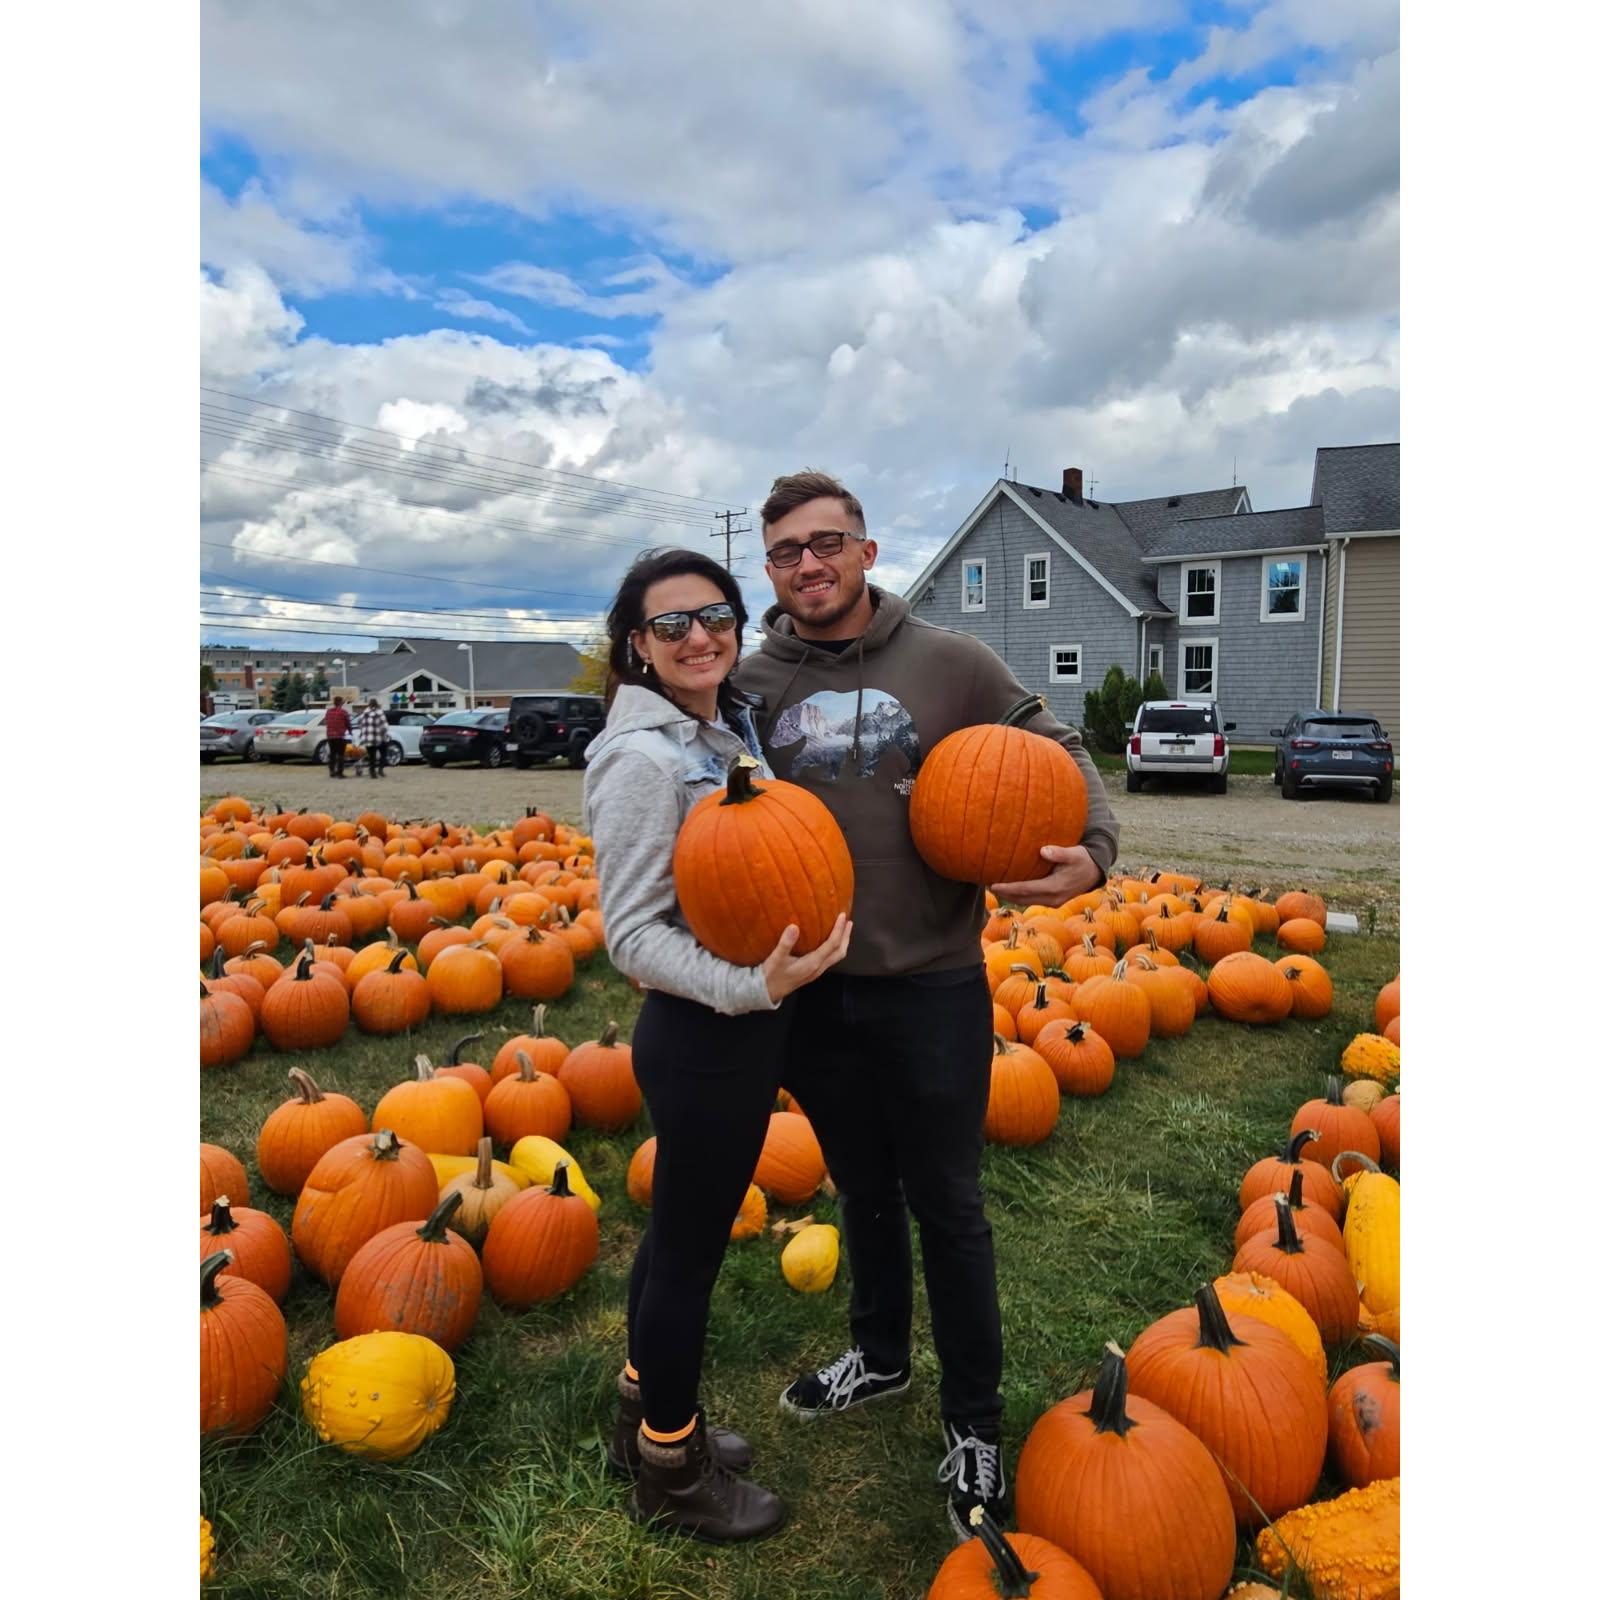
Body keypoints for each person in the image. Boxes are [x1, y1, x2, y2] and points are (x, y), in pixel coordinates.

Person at [733, 471, 1120, 1541]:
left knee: (948, 1207)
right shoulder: (752, 680)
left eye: (826, 543)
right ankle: (883, 1356)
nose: (807, 565)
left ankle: (974, 1422)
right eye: (785, 553)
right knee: (859, 1188)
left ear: (865, 549)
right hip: (811, 991)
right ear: (768, 570)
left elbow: (1063, 749)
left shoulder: (951, 663)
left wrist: (1091, 854)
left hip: (933, 983)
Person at [583, 547, 852, 1543]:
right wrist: (754, 985)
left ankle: (635, 1415)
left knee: (674, 1243)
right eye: (671, 624)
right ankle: (671, 1466)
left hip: (739, 1032)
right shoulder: (642, 760)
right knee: (691, 1257)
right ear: (636, 648)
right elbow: (634, 935)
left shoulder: (721, 725)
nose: (699, 635)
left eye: (715, 614)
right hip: (702, 1035)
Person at [356, 699, 390, 778]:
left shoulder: (364, 713)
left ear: (369, 705)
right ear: (377, 704)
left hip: (367, 738)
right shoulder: (379, 713)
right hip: (379, 737)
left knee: (372, 756)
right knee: (383, 754)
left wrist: (364, 731)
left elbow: (359, 722)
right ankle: (380, 770)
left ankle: (372, 772)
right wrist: (384, 733)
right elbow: (385, 726)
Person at [325, 696, 351, 778]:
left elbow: (327, 721)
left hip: (330, 736)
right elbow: (348, 723)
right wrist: (350, 731)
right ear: (341, 703)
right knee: (340, 755)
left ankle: (332, 771)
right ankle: (340, 773)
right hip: (340, 736)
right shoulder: (344, 712)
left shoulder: (328, 712)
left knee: (332, 754)